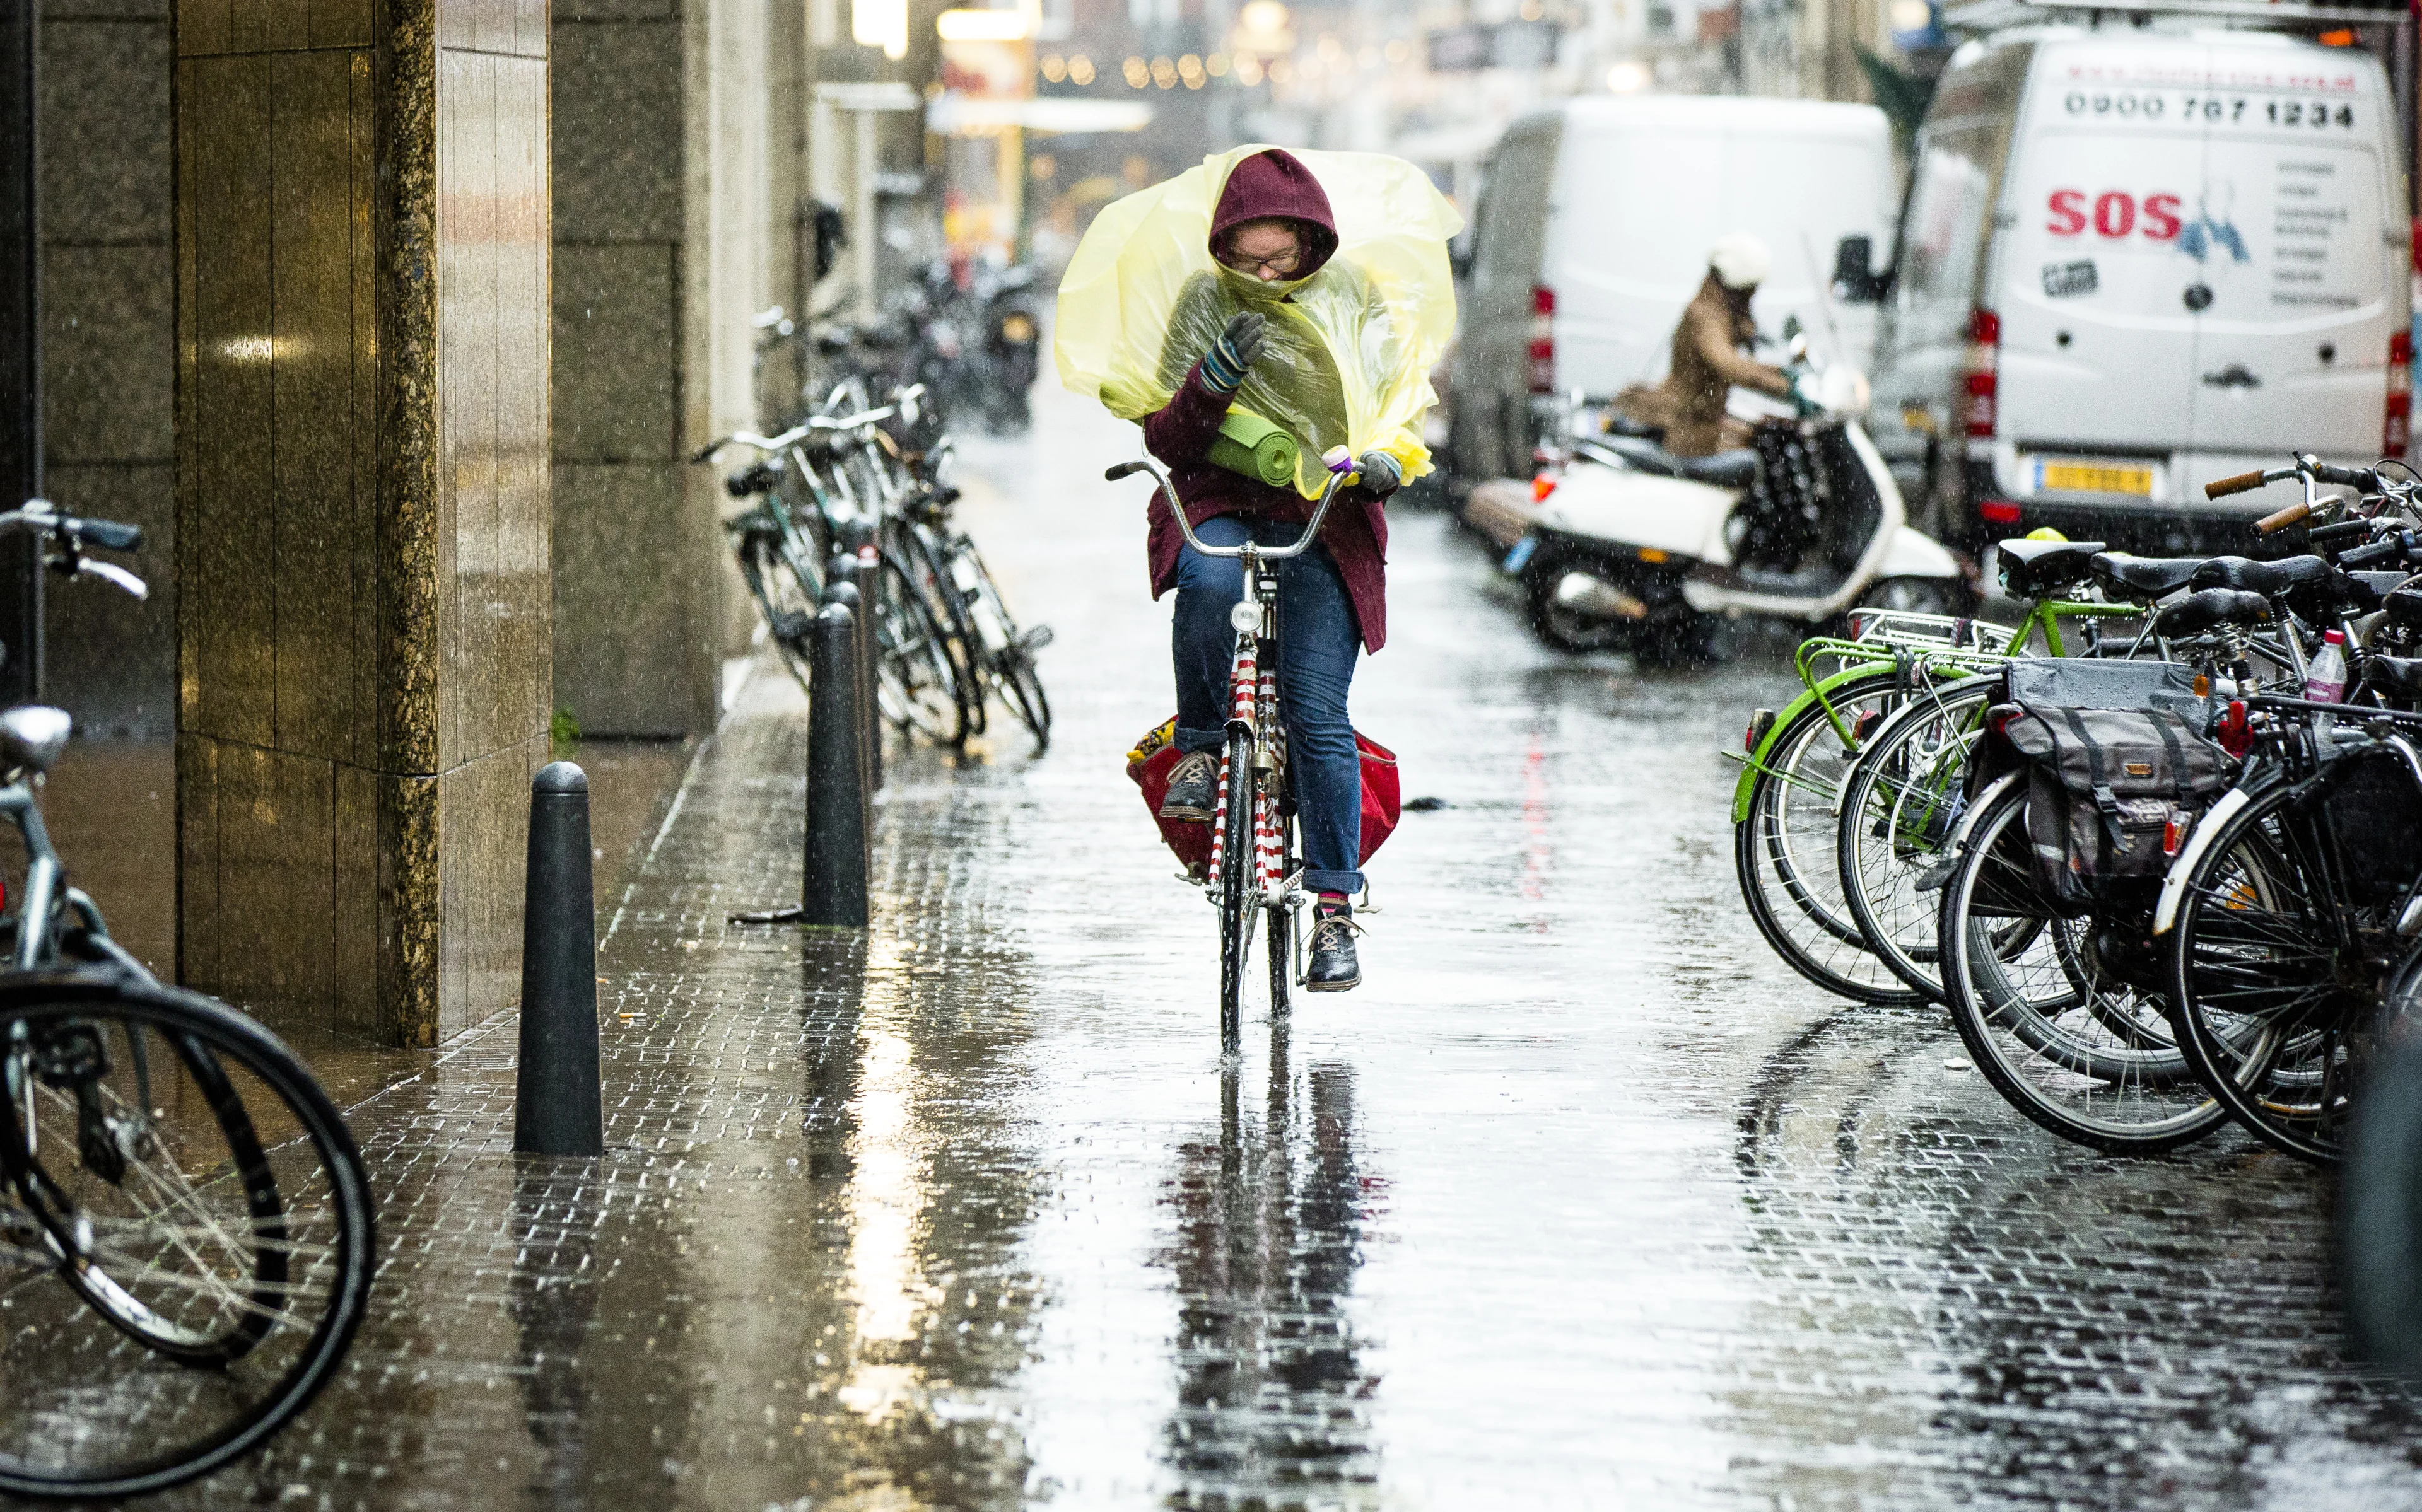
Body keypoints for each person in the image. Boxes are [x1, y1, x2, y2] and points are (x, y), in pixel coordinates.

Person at [1140, 148, 1408, 993]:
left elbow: (1399, 398)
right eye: (1246, 259)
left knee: (1319, 710)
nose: (1262, 272)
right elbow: (1168, 440)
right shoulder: (1202, 302)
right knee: (1210, 588)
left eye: (1278, 259)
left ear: (1309, 244)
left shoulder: (1353, 298)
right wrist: (1210, 380)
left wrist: (1387, 457)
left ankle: (1334, 906)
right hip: (1220, 499)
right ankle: (1200, 746)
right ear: (1223, 247)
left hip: (1324, 516)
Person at [1616, 234, 1794, 459]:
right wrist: (1786, 386)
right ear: (1739, 285)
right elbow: (1728, 365)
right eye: (1751, 288)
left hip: (1703, 421)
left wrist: (1781, 371)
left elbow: (1746, 339)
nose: (1753, 294)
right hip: (1687, 424)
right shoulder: (1707, 315)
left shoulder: (1723, 311)